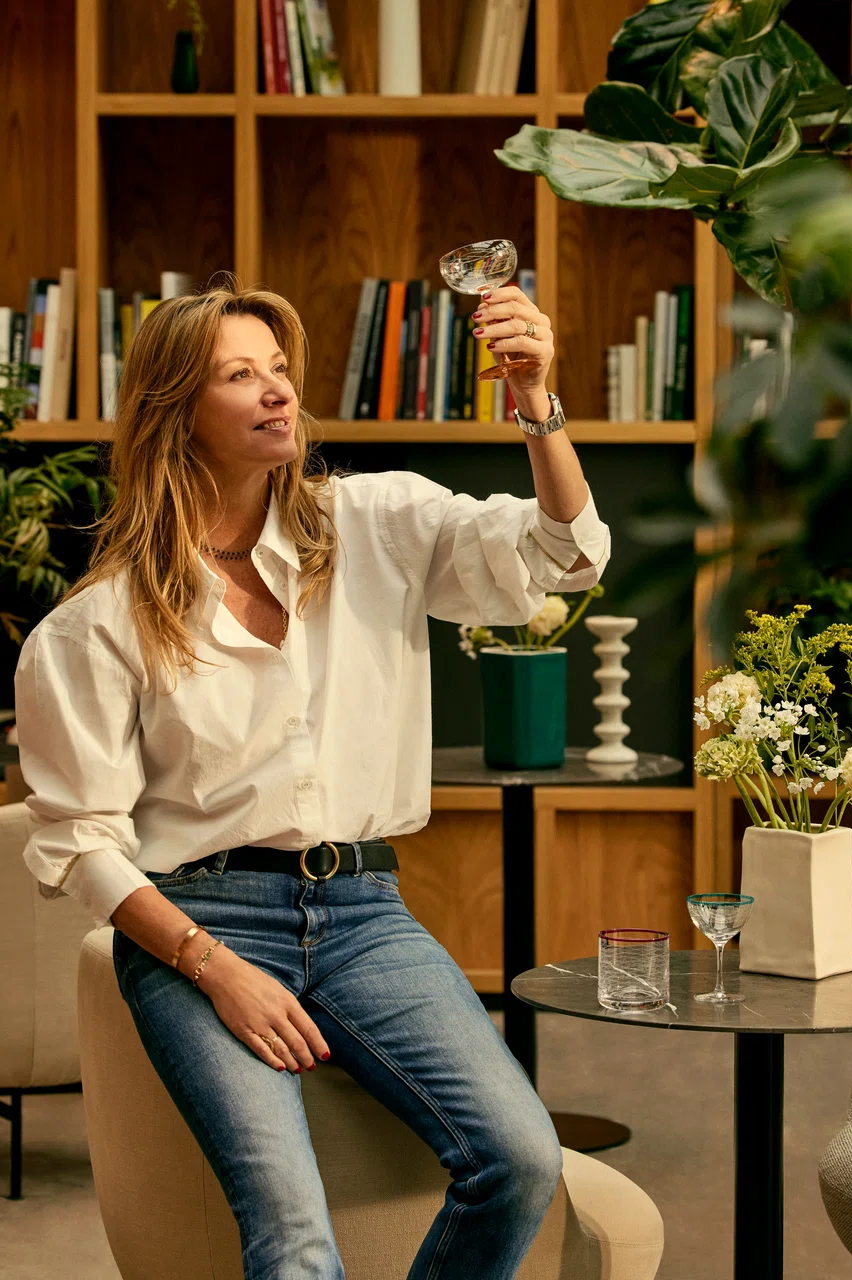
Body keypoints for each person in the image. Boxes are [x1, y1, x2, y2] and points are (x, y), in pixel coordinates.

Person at [14, 274, 611, 1280]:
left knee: (519, 1156)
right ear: (175, 412)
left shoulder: (377, 522)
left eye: (280, 369)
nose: (278, 390)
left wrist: (536, 403)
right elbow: (84, 844)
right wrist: (214, 967)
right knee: (292, 1241)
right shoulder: (95, 625)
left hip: (365, 910)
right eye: (240, 374)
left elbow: (563, 557)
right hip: (200, 923)